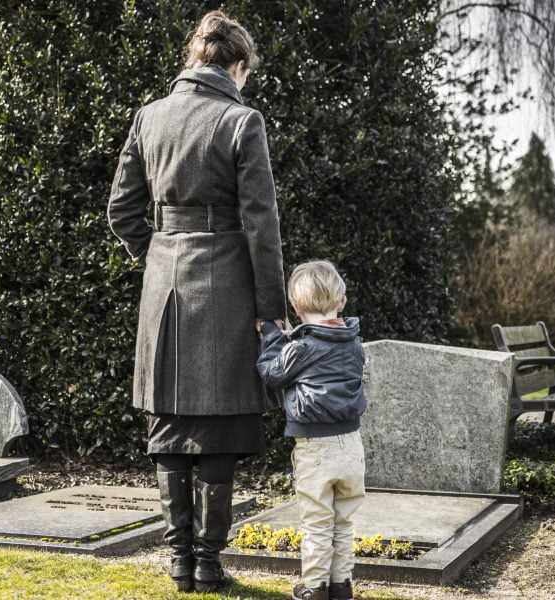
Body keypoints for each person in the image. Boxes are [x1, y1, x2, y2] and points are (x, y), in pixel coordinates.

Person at [107, 9, 287, 594]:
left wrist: (158, 252)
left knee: (170, 419)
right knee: (219, 425)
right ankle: (208, 563)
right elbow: (261, 224)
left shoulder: (149, 116)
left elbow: (121, 211)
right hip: (227, 284)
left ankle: (180, 561)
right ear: (237, 66)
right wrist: (271, 309)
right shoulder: (242, 120)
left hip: (163, 284)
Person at [256, 261, 367, 600]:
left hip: (315, 446)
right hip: (351, 444)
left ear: (296, 306)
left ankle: (315, 587)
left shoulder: (301, 347)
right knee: (343, 521)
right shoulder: (354, 342)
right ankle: (341, 584)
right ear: (342, 302)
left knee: (317, 521)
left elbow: (272, 373)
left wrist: (272, 337)